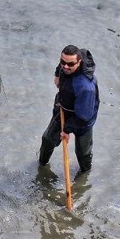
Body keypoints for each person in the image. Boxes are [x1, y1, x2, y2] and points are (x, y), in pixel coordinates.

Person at [38, 45, 99, 173]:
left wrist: (66, 130)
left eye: (70, 64)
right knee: (47, 139)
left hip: (82, 118)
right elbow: (63, 65)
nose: (65, 67)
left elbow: (83, 117)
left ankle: (84, 176)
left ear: (79, 62)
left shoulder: (85, 87)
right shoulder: (67, 62)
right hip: (63, 108)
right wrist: (57, 75)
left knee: (82, 153)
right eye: (62, 62)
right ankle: (41, 167)